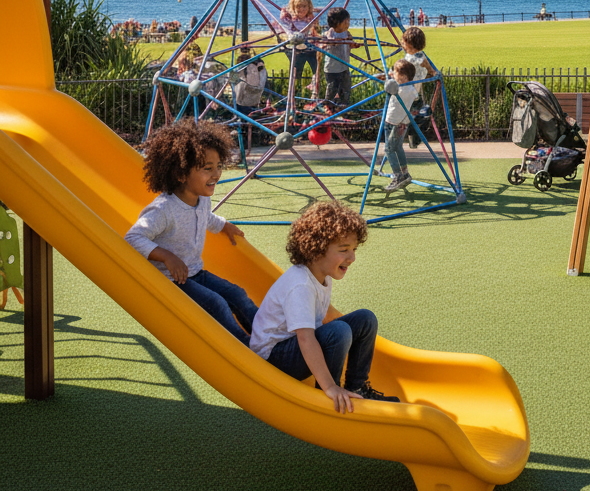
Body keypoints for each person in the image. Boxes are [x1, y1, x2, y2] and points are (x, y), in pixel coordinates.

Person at [249, 201, 399, 409]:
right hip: (273, 359)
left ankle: (357, 388)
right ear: (317, 249)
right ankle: (330, 396)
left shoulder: (322, 275)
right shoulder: (300, 285)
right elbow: (305, 338)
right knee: (339, 331)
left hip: (292, 348)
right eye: (344, 250)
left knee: (365, 319)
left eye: (354, 249)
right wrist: (329, 386)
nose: (352, 257)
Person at [125, 122, 258, 343]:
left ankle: (268, 337)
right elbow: (133, 237)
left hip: (195, 272)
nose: (216, 174)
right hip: (171, 281)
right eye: (207, 168)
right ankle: (245, 348)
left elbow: (206, 218)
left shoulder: (202, 199)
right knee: (216, 303)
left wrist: (224, 225)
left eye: (218, 166)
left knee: (237, 294)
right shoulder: (163, 210)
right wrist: (167, 256)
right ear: (180, 174)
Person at [382, 60, 418, 193]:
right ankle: (405, 173)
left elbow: (388, 87)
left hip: (393, 123)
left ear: (403, 76)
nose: (393, 74)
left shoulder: (398, 89)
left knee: (389, 149)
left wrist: (389, 78)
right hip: (403, 123)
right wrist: (392, 76)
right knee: (398, 147)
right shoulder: (411, 89)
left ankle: (398, 176)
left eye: (395, 72)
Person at [277, 0, 320, 90]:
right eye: (298, 6)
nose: (301, 9)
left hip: (309, 48)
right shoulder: (290, 19)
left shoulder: (310, 19)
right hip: (294, 48)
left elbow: (316, 32)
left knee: (316, 68)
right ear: (293, 7)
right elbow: (282, 20)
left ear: (309, 7)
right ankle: (295, 91)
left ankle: (314, 87)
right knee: (296, 71)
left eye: (304, 6)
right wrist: (284, 11)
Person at [402, 26, 435, 146]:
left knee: (417, 116)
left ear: (410, 44)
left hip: (410, 94)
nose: (402, 45)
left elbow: (425, 65)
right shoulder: (414, 56)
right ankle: (413, 138)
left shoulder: (416, 57)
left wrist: (433, 72)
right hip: (411, 94)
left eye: (404, 43)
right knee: (415, 116)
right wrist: (432, 72)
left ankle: (413, 137)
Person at [323, 7, 353, 109]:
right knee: (332, 88)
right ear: (336, 22)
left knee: (346, 87)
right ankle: (328, 107)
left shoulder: (347, 32)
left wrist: (353, 44)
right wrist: (341, 40)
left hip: (344, 66)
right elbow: (331, 41)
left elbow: (351, 42)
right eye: (345, 22)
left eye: (348, 21)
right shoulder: (330, 32)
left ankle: (343, 106)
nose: (348, 24)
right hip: (332, 68)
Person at [232, 47, 266, 116]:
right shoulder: (259, 71)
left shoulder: (246, 72)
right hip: (253, 101)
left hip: (244, 103)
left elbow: (239, 90)